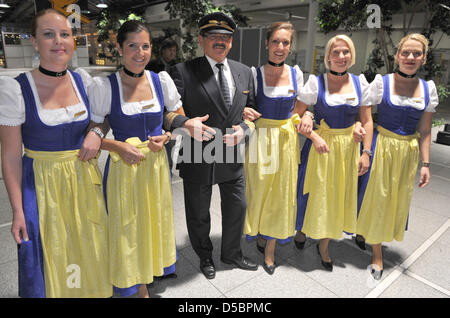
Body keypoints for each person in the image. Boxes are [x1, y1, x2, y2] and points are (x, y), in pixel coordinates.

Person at [0, 9, 111, 297]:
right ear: (35, 43)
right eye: (48, 34)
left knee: (88, 249)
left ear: (73, 40)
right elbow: (11, 156)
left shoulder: (84, 81)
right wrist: (17, 211)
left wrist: (96, 133)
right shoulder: (16, 89)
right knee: (51, 254)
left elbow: (102, 118)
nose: (58, 41)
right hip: (41, 186)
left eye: (65, 34)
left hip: (84, 182)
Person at [85, 20, 180, 298]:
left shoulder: (160, 80)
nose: (140, 53)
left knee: (152, 221)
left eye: (146, 46)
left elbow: (174, 116)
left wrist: (167, 136)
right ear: (119, 48)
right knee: (126, 228)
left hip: (155, 165)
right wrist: (116, 146)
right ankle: (136, 287)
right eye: (133, 46)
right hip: (124, 167)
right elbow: (93, 131)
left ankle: (144, 281)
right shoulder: (105, 86)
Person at [164, 12, 258, 279]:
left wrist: (245, 130)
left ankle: (232, 253)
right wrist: (184, 122)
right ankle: (205, 255)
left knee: (237, 208)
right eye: (213, 36)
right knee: (198, 213)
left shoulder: (243, 71)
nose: (220, 41)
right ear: (201, 39)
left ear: (231, 41)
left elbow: (252, 111)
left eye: (225, 37)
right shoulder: (182, 71)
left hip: (232, 151)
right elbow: (165, 112)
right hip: (198, 151)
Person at [355, 34, 438, 280]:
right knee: (377, 197)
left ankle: (366, 231)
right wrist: (367, 151)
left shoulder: (427, 89)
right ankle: (377, 254)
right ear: (397, 55)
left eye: (416, 54)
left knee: (396, 199)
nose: (410, 58)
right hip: (383, 146)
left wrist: (425, 164)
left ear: (423, 58)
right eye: (406, 53)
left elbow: (424, 131)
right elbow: (366, 118)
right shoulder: (382, 83)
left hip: (407, 152)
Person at [295, 35, 373, 271]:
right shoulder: (315, 83)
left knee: (336, 196)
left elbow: (367, 121)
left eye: (346, 52)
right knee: (313, 192)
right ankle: (303, 229)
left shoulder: (361, 84)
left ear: (352, 56)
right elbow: (295, 116)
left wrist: (366, 152)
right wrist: (312, 131)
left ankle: (324, 244)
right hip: (321, 146)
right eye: (336, 52)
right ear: (327, 56)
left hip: (348, 149)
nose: (341, 57)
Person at [242, 22, 310, 275]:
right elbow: (244, 105)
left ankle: (270, 248)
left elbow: (301, 108)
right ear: (267, 43)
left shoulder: (297, 74)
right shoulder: (253, 74)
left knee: (281, 194)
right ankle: (260, 230)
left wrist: (308, 115)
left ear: (290, 47)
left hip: (286, 139)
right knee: (259, 190)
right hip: (260, 138)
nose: (280, 47)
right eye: (276, 42)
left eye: (286, 43)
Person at [146, 38, 179, 172]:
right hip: (157, 109)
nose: (173, 53)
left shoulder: (177, 66)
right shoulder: (152, 66)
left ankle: (167, 167)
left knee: (171, 139)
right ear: (163, 50)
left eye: (175, 51)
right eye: (170, 50)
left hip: (171, 109)